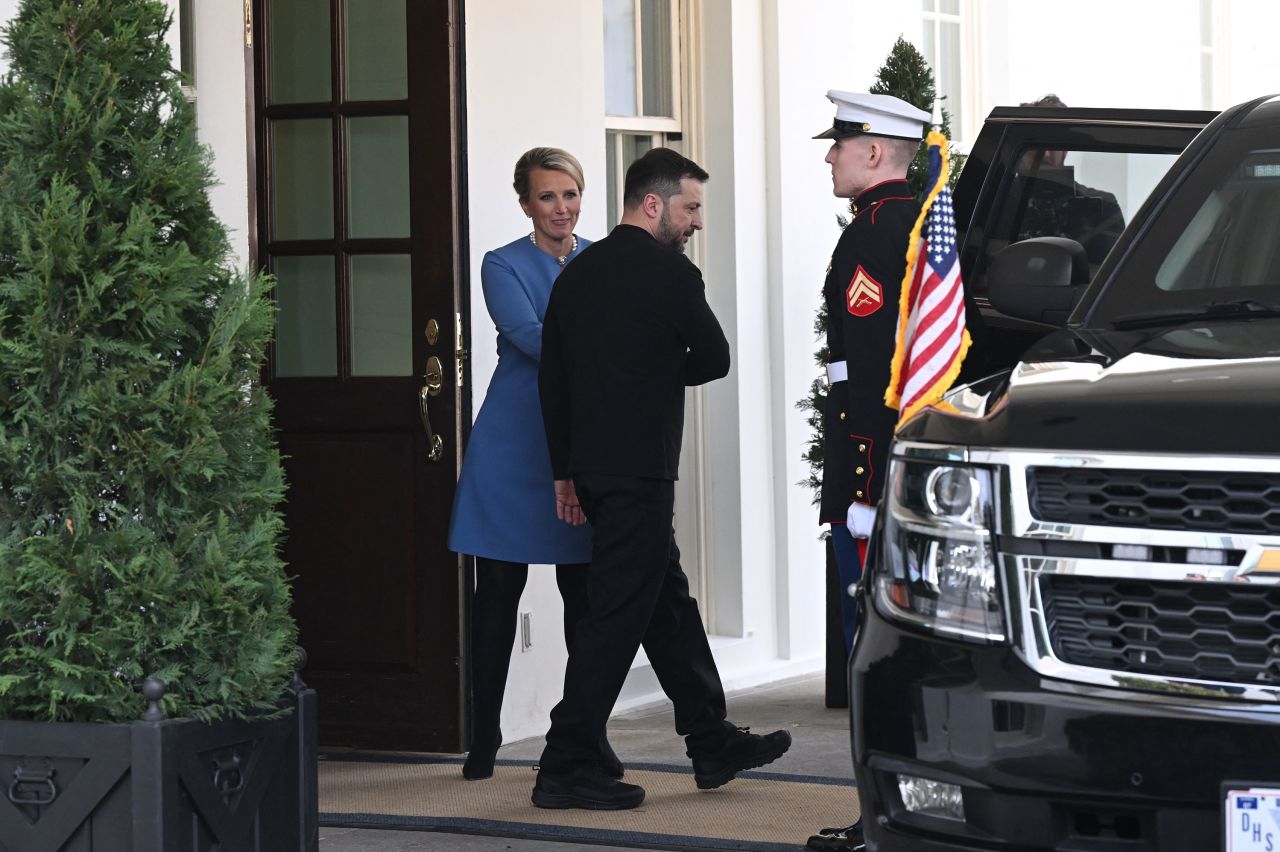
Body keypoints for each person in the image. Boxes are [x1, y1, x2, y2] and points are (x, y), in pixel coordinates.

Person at [532, 147, 792, 811]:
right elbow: (713, 358)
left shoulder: (576, 274)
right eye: (691, 208)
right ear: (654, 204)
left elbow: (553, 384)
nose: (696, 223)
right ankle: (563, 765)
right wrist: (647, 371)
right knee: (615, 617)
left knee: (664, 602)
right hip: (641, 467)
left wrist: (565, 473)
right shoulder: (672, 275)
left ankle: (711, 740)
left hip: (590, 467)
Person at [447, 147, 621, 781]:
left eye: (569, 195)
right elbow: (531, 338)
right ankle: (483, 737)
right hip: (514, 449)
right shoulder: (503, 265)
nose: (561, 208)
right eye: (547, 197)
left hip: (581, 445)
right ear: (525, 204)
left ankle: (582, 737)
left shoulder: (605, 259)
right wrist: (609, 347)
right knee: (495, 597)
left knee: (584, 599)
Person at [805, 91, 930, 852]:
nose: (830, 155)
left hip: (873, 466)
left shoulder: (872, 238)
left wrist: (860, 486)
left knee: (872, 652)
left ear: (876, 153)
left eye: (840, 144)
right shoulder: (917, 224)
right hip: (904, 463)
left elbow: (874, 383)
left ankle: (876, 822)